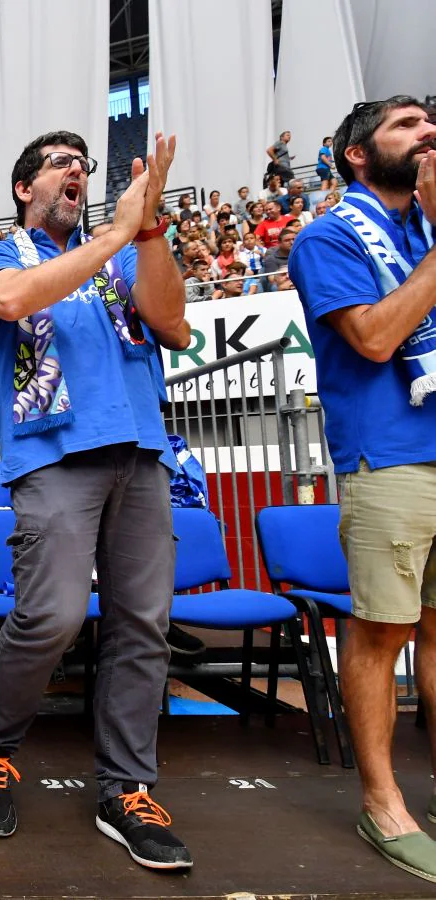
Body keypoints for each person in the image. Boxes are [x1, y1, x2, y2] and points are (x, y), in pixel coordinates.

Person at [0, 129, 194, 871]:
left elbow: (172, 323)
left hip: (140, 451)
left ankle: (126, 787)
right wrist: (118, 235)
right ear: (25, 188)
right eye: (62, 164)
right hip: (54, 455)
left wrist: (147, 229)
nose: (79, 172)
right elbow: (11, 299)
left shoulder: (124, 248)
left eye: (84, 166)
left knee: (143, 624)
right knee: (52, 615)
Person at [289, 95, 436, 882]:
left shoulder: (429, 228)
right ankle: (383, 804)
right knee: (383, 632)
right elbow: (377, 338)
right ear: (358, 153)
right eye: (408, 125)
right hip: (390, 455)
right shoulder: (328, 237)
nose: (429, 134)